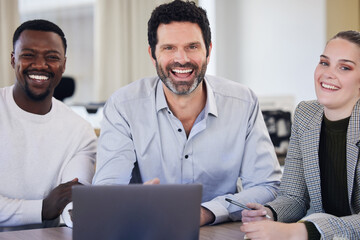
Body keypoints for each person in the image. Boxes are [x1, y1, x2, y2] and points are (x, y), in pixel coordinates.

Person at [93, 0, 281, 226]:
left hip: (219, 233)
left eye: (192, 46)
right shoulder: (123, 106)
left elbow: (267, 187)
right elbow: (107, 191)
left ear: (208, 51)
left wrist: (206, 212)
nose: (181, 59)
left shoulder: (243, 103)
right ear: (153, 55)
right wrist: (136, 201)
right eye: (169, 48)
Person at [240, 30, 360, 239]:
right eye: (324, 63)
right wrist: (269, 213)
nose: (328, 74)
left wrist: (301, 231)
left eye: (344, 67)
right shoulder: (306, 115)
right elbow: (294, 197)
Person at [0, 19, 97, 231]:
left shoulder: (80, 131)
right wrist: (42, 208)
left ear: (63, 65)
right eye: (28, 55)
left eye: (52, 57)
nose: (40, 65)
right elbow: (52, 206)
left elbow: (72, 201)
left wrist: (74, 209)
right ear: (13, 59)